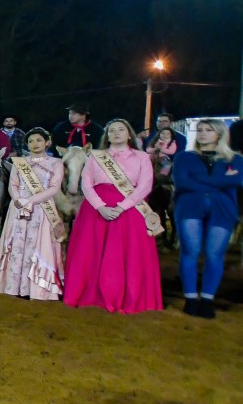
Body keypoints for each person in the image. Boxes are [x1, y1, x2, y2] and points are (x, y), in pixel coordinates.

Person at [64, 118, 163, 314]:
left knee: (128, 253)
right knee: (91, 253)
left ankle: (128, 296)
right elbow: (86, 183)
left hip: (131, 210)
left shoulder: (142, 157)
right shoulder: (96, 156)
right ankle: (89, 295)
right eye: (112, 131)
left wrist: (122, 207)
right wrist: (100, 207)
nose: (116, 133)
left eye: (121, 130)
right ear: (107, 136)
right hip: (96, 210)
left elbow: (145, 185)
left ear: (129, 134)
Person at [172, 118, 241, 318]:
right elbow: (182, 182)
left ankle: (208, 299)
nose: (203, 134)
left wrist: (199, 180)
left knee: (214, 254)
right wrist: (220, 182)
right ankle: (191, 298)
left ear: (219, 134)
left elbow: (238, 180)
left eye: (209, 130)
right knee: (190, 252)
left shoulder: (235, 159)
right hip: (189, 207)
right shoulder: (183, 157)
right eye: (200, 129)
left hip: (223, 209)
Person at [0, 127, 66, 300]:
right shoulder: (20, 162)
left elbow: (54, 187)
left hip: (42, 208)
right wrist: (18, 200)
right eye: (31, 141)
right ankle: (13, 286)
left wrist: (31, 201)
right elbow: (12, 185)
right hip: (19, 207)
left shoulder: (56, 163)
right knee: (16, 244)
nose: (34, 144)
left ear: (47, 142)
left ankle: (37, 289)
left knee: (39, 244)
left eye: (39, 140)